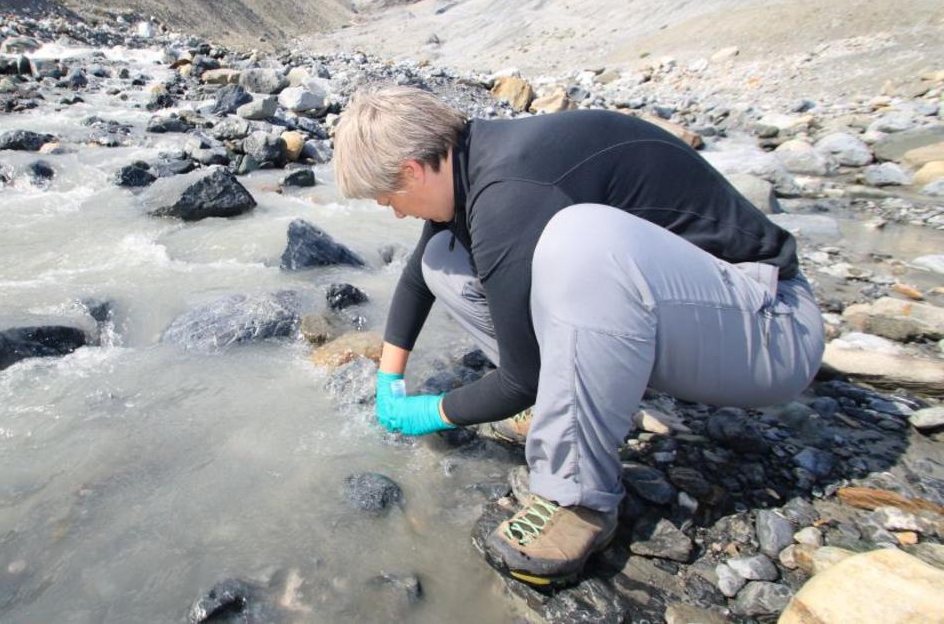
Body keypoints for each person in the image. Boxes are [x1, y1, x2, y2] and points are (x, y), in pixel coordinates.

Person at [333, 85, 825, 588]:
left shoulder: (509, 189)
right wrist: (388, 378)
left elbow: (521, 378)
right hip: (694, 314)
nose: (394, 211)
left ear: (413, 169)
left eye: (388, 197)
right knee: (444, 259)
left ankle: (576, 497)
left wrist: (432, 412)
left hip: (770, 327)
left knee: (581, 241)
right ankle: (564, 409)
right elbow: (420, 273)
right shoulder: (468, 160)